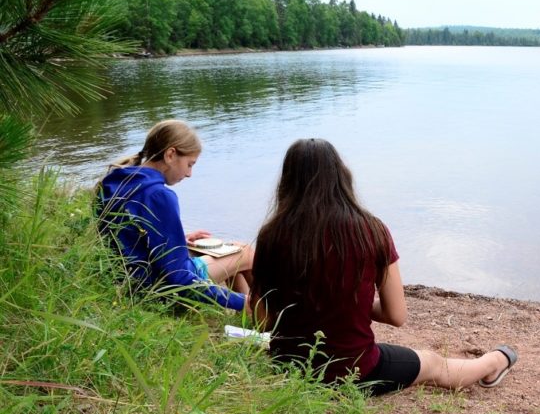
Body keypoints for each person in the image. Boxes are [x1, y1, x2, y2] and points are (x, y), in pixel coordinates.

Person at [251, 138, 517, 396]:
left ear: (286, 182)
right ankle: (494, 362)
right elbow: (396, 315)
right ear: (342, 176)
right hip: (355, 370)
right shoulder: (371, 232)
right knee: (434, 364)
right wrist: (351, 302)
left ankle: (494, 362)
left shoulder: (271, 235)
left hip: (288, 367)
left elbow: (262, 320)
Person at [96, 119, 253, 311]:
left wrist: (180, 240)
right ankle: (261, 310)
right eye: (189, 164)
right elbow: (179, 277)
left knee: (229, 251)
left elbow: (129, 238)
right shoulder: (159, 195)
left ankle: (253, 316)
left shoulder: (113, 182)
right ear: (170, 154)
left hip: (128, 282)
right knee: (244, 252)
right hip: (159, 293)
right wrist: (238, 301)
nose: (189, 174)